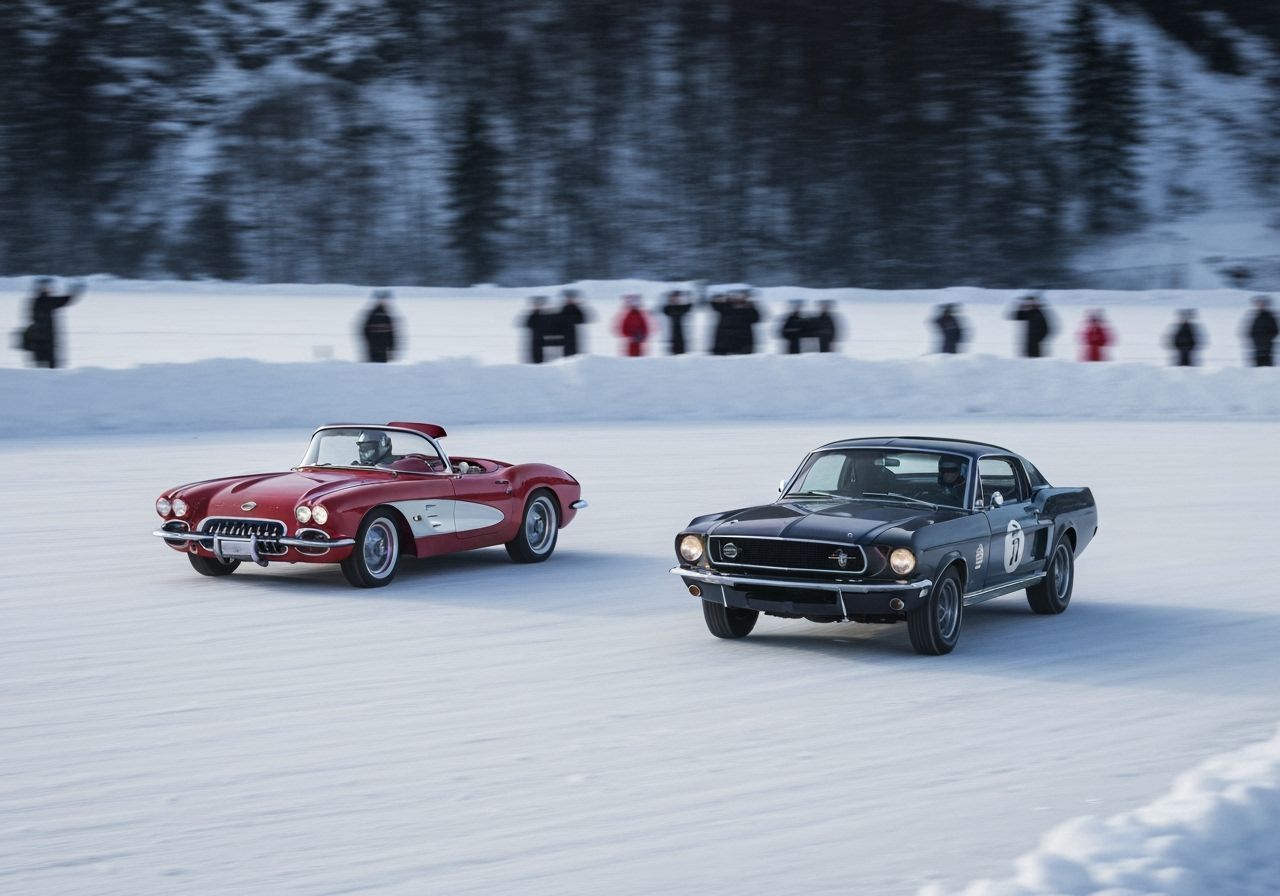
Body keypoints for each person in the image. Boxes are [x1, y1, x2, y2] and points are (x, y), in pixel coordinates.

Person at [22, 276, 86, 368]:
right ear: (39, 288)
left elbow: (65, 300)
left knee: (52, 367)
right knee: (41, 367)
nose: (48, 288)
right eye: (44, 286)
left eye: (48, 286)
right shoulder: (39, 301)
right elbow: (34, 317)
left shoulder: (48, 300)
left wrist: (75, 290)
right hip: (40, 342)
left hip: (49, 341)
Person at [1009, 291, 1054, 358]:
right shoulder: (1029, 313)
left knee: (1036, 360)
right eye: (1029, 301)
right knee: (1028, 360)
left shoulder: (1040, 313)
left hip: (1037, 344)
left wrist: (1039, 340)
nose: (1030, 303)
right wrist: (1020, 306)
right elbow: (1015, 316)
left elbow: (1048, 329)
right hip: (1028, 343)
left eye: (1032, 301)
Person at [360, 289, 399, 363]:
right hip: (373, 350)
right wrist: (369, 343)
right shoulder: (372, 315)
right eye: (381, 300)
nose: (384, 302)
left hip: (383, 350)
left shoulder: (387, 316)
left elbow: (392, 334)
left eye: (385, 300)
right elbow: (364, 330)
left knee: (381, 367)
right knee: (373, 366)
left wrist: (392, 349)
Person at [1245, 295, 1278, 367]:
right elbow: (1251, 331)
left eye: (1262, 304)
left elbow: (1275, 330)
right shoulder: (1255, 316)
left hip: (1267, 346)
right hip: (1257, 346)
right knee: (1257, 365)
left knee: (1268, 365)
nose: (1260, 306)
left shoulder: (1270, 316)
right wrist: (1254, 339)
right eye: (1259, 304)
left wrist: (1268, 338)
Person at [521, 295, 555, 364]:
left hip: (546, 339)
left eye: (539, 304)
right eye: (536, 304)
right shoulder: (532, 315)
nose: (537, 306)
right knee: (535, 356)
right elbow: (528, 324)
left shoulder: (546, 315)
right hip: (535, 339)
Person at [557, 288, 590, 357]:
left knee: (575, 350)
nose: (570, 300)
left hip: (575, 332)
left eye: (571, 298)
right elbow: (559, 320)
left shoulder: (576, 308)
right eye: (568, 298)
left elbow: (582, 319)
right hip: (565, 332)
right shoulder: (564, 308)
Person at [659, 289, 694, 355]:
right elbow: (662, 308)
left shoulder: (681, 307)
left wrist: (688, 296)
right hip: (670, 334)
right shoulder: (668, 308)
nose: (675, 300)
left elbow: (690, 305)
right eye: (673, 298)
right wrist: (664, 297)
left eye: (677, 298)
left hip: (681, 334)